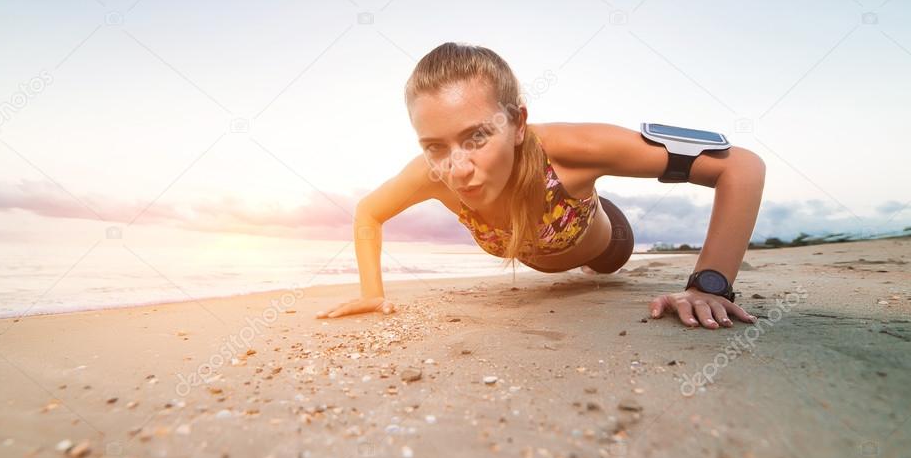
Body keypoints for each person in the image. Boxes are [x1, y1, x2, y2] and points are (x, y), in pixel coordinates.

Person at [316, 42, 765, 330]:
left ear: (517, 123)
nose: (457, 168)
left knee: (603, 271)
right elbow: (368, 213)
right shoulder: (432, 175)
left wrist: (709, 285)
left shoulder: (570, 150)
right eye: (435, 145)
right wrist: (372, 292)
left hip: (608, 245)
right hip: (547, 253)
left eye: (477, 137)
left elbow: (741, 167)